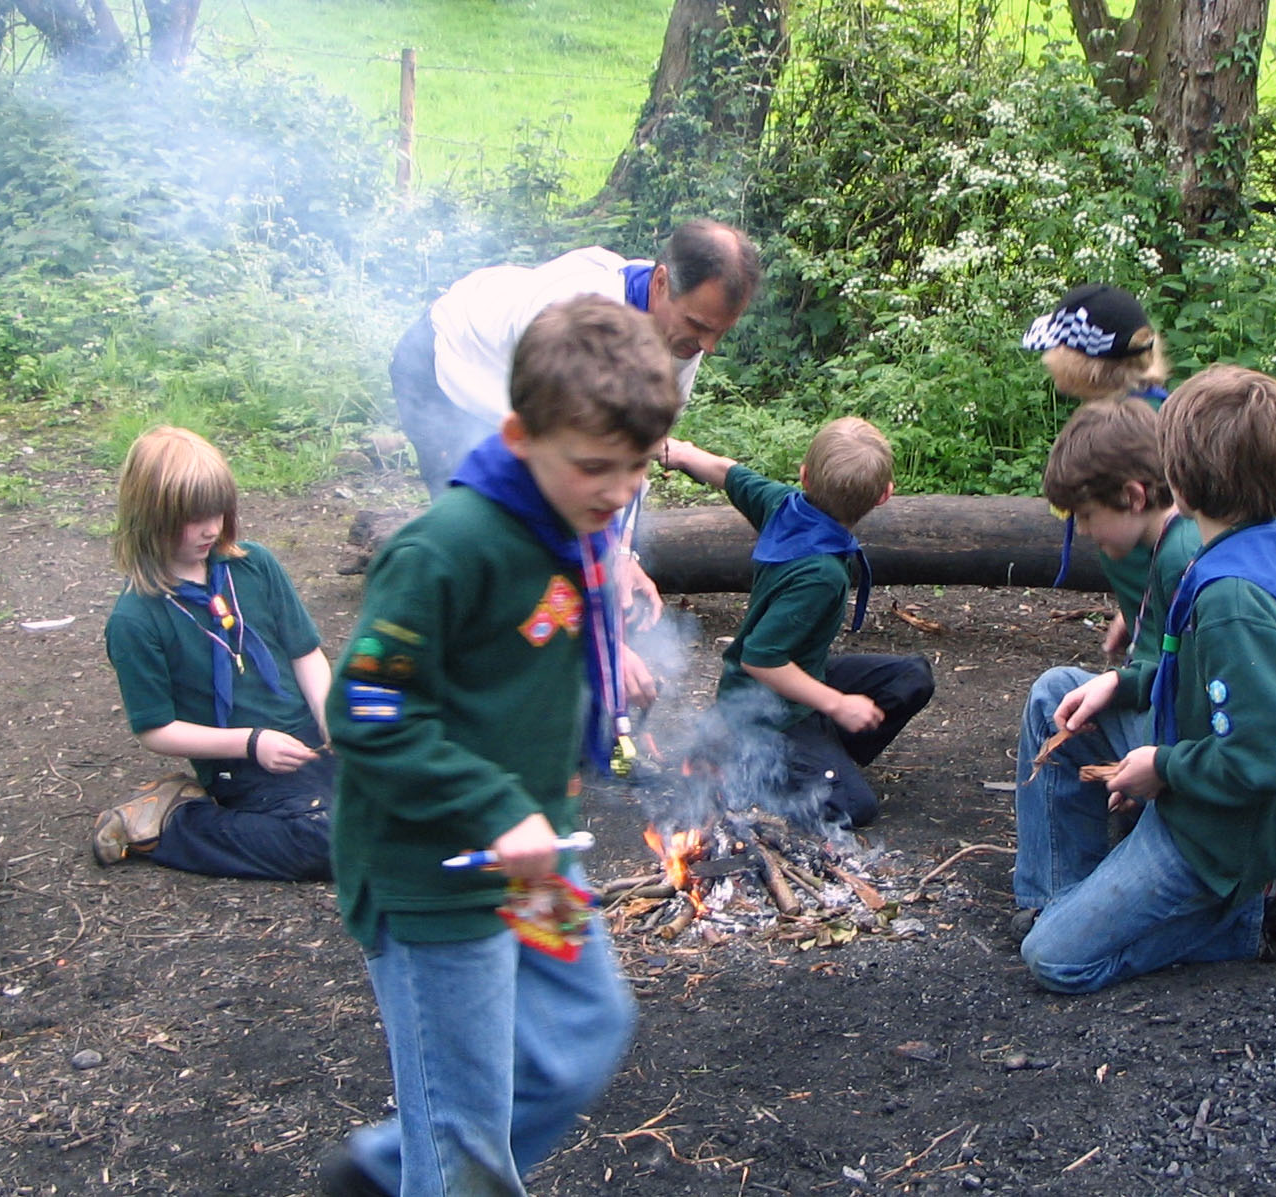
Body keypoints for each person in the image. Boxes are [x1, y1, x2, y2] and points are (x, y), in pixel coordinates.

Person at [319, 295, 678, 1197]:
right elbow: (365, 709)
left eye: (637, 467)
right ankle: (434, 1168)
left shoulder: (570, 530)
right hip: (440, 882)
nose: (617, 489)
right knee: (468, 1133)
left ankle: (390, 1169)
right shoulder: (448, 548)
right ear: (518, 433)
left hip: (533, 865)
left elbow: (524, 654)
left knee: (584, 1033)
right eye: (595, 466)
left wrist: (606, 674)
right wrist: (492, 803)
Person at [1019, 364, 1276, 993]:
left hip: (1221, 825)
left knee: (1055, 960)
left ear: (1176, 484)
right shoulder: (1227, 553)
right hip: (1206, 769)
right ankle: (1063, 898)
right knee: (1058, 691)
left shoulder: (1228, 597)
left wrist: (1163, 769)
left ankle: (1255, 910)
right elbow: (1194, 678)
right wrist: (1128, 685)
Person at [391, 218, 760, 708]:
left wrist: (624, 554)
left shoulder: (677, 342)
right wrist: (606, 640)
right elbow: (552, 478)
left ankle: (539, 696)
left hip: (529, 418)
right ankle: (463, 693)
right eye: (698, 326)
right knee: (491, 547)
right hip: (452, 366)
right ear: (662, 281)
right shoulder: (570, 309)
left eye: (720, 333)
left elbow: (637, 446)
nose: (708, 347)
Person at [663, 418, 935, 829]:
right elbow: (760, 658)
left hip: (803, 682)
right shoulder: (819, 575)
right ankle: (754, 770)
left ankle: (824, 755)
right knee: (855, 807)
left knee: (912, 676)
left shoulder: (783, 503)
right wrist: (837, 703)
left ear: (804, 475)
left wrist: (677, 452)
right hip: (763, 713)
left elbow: (726, 471)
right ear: (885, 495)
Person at [96, 426, 334, 881]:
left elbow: (305, 653)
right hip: (243, 766)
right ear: (151, 517)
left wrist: (330, 718)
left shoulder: (253, 564)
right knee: (328, 843)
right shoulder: (136, 618)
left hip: (310, 738)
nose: (212, 529)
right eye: (194, 518)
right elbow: (156, 730)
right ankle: (173, 823)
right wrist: (250, 743)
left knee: (395, 806)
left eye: (219, 511)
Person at [1023, 282, 1169, 661]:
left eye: (1057, 349)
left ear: (1084, 363)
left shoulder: (1133, 433)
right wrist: (1133, 610)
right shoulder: (1147, 412)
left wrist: (1148, 618)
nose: (1049, 358)